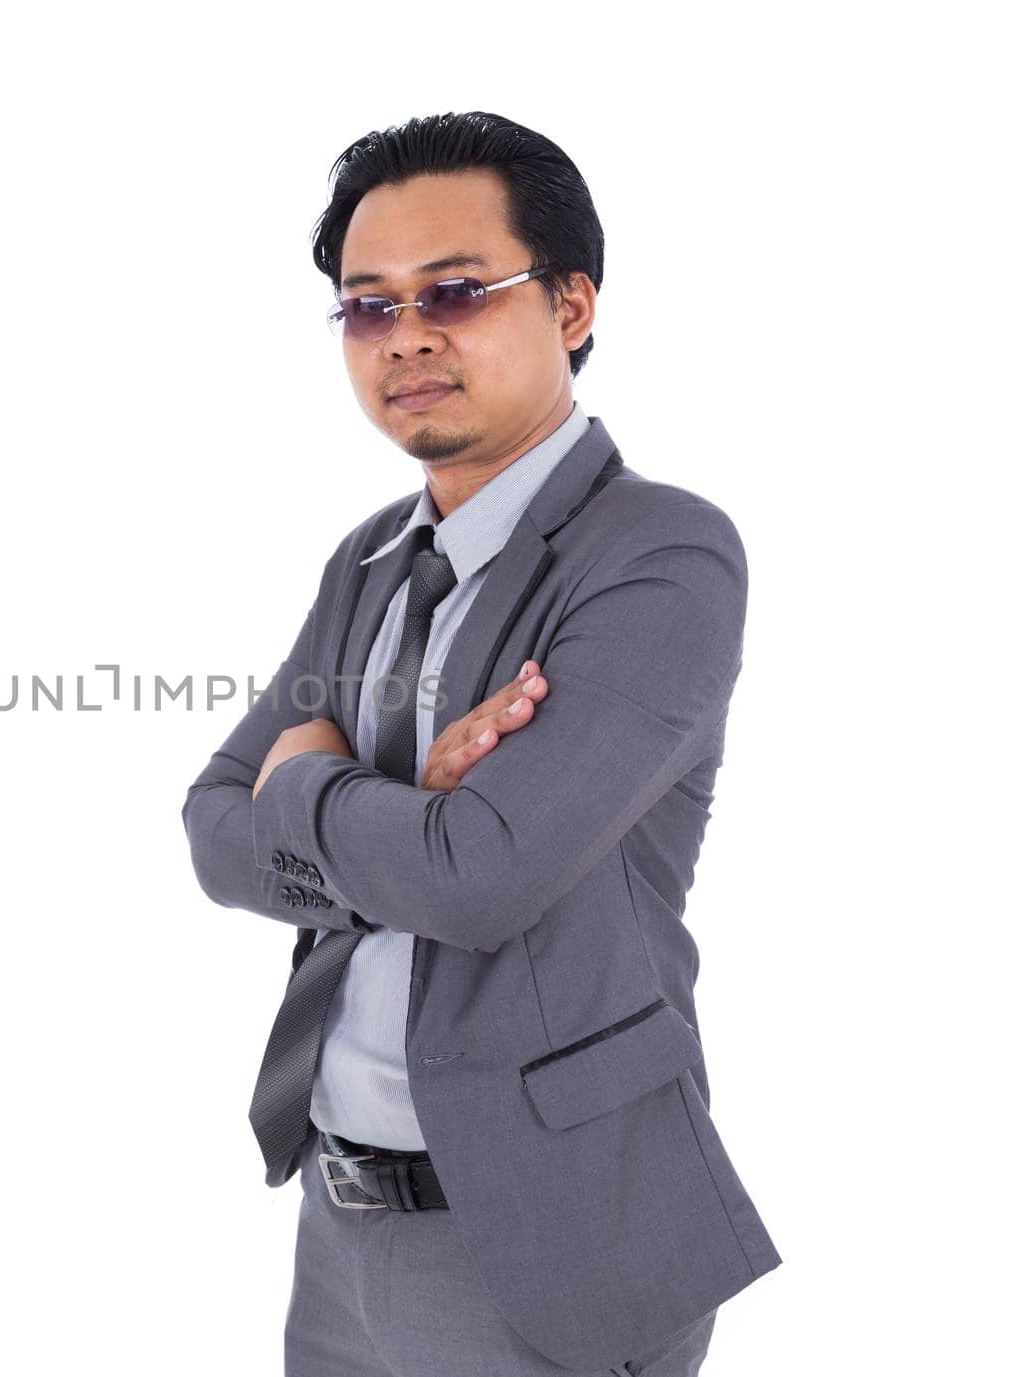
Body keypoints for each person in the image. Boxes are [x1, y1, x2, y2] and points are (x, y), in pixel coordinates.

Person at [181, 111, 782, 1377]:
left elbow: (482, 874)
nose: (406, 334)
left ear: (569, 305)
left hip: (550, 1231)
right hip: (336, 1228)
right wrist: (402, 805)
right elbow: (211, 832)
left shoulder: (661, 556)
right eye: (365, 305)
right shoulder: (369, 560)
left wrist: (315, 780)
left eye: (456, 290)